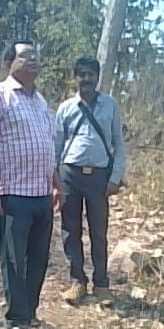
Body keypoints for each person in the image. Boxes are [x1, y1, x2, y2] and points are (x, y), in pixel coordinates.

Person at [0, 41, 64, 329]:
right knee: (14, 258)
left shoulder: (40, 101)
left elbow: (46, 147)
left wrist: (56, 184)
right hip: (13, 194)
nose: (33, 59)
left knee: (38, 259)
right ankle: (16, 319)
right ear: (9, 63)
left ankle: (30, 314)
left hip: (42, 194)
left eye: (36, 55)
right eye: (26, 56)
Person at [55, 56, 126, 305]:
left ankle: (102, 284)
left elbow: (118, 144)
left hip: (99, 177)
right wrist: (55, 181)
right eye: (82, 74)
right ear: (75, 78)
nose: (86, 79)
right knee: (70, 230)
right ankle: (77, 282)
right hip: (70, 175)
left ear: (97, 77)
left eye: (91, 74)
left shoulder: (110, 106)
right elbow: (56, 147)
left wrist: (115, 178)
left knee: (99, 231)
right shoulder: (65, 108)